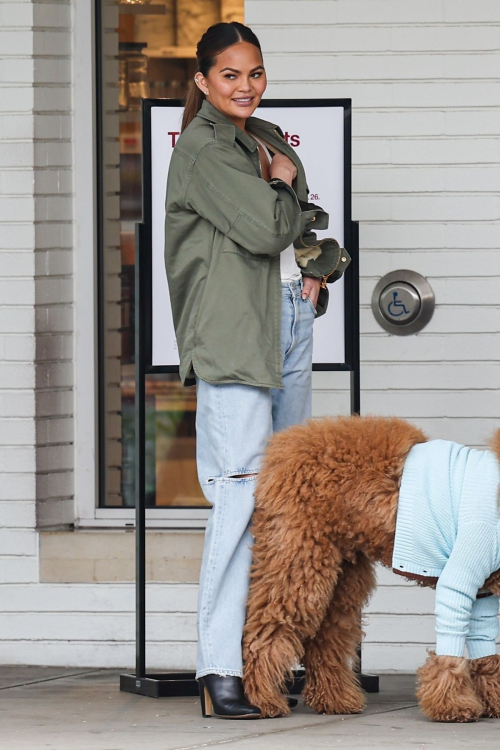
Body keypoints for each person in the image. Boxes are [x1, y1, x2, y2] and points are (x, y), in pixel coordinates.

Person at [164, 21, 342, 719]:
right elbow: (272, 227)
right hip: (237, 338)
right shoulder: (205, 149)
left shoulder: (263, 139)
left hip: (287, 324)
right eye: (230, 75)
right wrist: (285, 189)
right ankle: (220, 669)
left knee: (286, 502)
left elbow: (307, 225)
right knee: (239, 498)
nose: (245, 86)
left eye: (255, 72)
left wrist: (320, 273)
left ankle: (268, 662)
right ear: (204, 80)